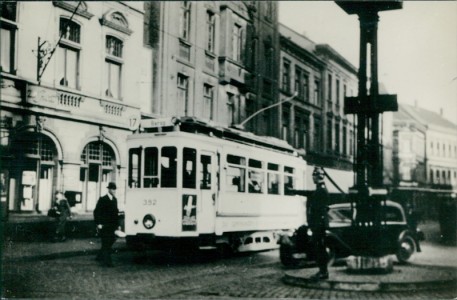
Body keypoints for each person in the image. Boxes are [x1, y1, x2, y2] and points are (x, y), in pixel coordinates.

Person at [293, 167, 329, 280]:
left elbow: (319, 209)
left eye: (313, 176)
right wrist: (295, 191)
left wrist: (314, 224)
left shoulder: (321, 190)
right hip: (317, 224)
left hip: (318, 224)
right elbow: (309, 193)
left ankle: (323, 272)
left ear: (318, 177)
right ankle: (322, 271)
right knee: (319, 248)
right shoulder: (319, 189)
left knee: (320, 249)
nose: (312, 178)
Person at [94, 182, 120, 267]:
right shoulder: (103, 199)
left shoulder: (115, 200)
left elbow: (116, 213)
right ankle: (107, 262)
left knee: (110, 241)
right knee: (106, 243)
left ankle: (100, 256)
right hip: (104, 225)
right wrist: (98, 223)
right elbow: (97, 212)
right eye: (112, 189)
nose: (114, 190)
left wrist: (118, 225)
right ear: (109, 189)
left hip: (112, 225)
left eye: (115, 189)